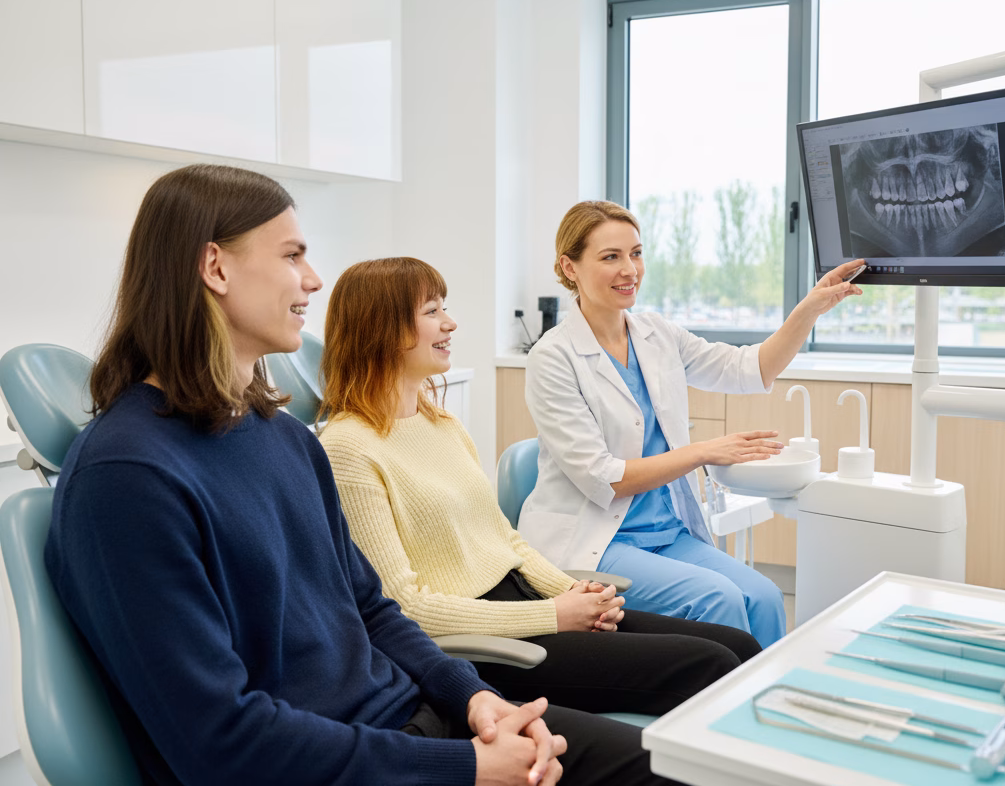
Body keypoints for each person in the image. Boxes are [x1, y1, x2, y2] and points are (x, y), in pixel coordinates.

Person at [44, 165, 647, 786]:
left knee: (672, 765)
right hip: (343, 765)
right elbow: (221, 743)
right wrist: (463, 765)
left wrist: (472, 698)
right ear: (216, 267)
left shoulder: (280, 437)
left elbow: (370, 606)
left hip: (412, 727)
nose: (313, 279)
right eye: (291, 256)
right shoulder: (125, 479)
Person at [316, 257, 761, 720]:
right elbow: (404, 609)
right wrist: (554, 615)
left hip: (528, 601)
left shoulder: (440, 422)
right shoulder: (348, 449)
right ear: (379, 328)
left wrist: (577, 594)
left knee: (739, 645)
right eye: (431, 311)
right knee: (713, 665)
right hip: (482, 642)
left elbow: (504, 539)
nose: (450, 322)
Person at [520, 200, 864, 649]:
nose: (630, 269)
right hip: (595, 541)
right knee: (717, 599)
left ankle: (762, 709)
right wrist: (703, 452)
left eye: (636, 253)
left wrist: (810, 309)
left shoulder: (656, 334)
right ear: (570, 267)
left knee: (764, 596)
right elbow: (602, 478)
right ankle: (710, 715)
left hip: (666, 532)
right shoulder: (553, 357)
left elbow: (750, 368)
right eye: (611, 257)